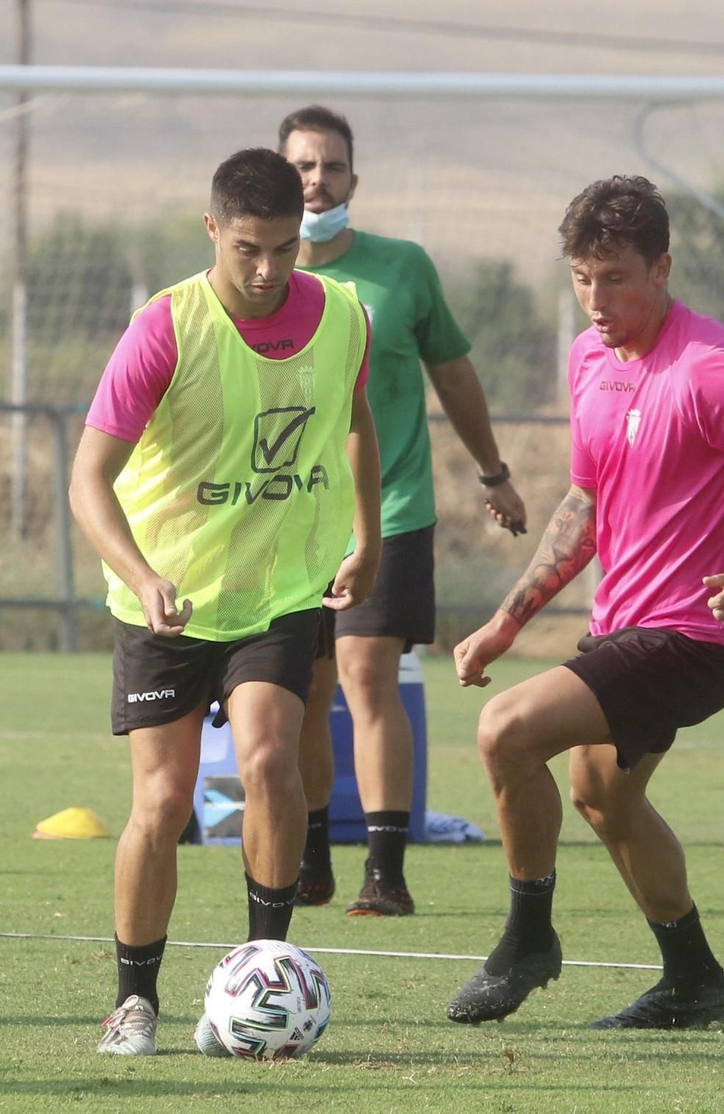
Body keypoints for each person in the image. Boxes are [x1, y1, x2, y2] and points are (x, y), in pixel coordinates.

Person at [445, 176, 724, 1028]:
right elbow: (586, 504)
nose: (597, 300)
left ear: (662, 269)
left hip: (695, 638)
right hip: (621, 632)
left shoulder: (713, 368)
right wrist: (505, 622)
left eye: (617, 279)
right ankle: (694, 980)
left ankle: (526, 942)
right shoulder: (589, 359)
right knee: (604, 797)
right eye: (581, 279)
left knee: (505, 730)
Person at [71, 147, 381, 1056]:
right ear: (212, 230)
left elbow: (356, 420)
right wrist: (142, 576)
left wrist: (367, 538)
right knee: (163, 802)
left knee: (271, 764)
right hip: (166, 600)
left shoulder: (344, 316)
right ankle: (134, 1003)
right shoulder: (163, 328)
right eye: (247, 248)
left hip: (279, 594)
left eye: (285, 248)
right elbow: (88, 479)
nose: (267, 269)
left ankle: (258, 982)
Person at [276, 105, 527, 917]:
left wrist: (494, 473)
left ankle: (385, 873)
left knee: (366, 673)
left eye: (332, 166)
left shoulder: (402, 268)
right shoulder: (258, 279)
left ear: (355, 177)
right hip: (290, 515)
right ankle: (312, 858)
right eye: (303, 166)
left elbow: (453, 375)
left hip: (389, 505)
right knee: (303, 688)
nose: (317, 181)